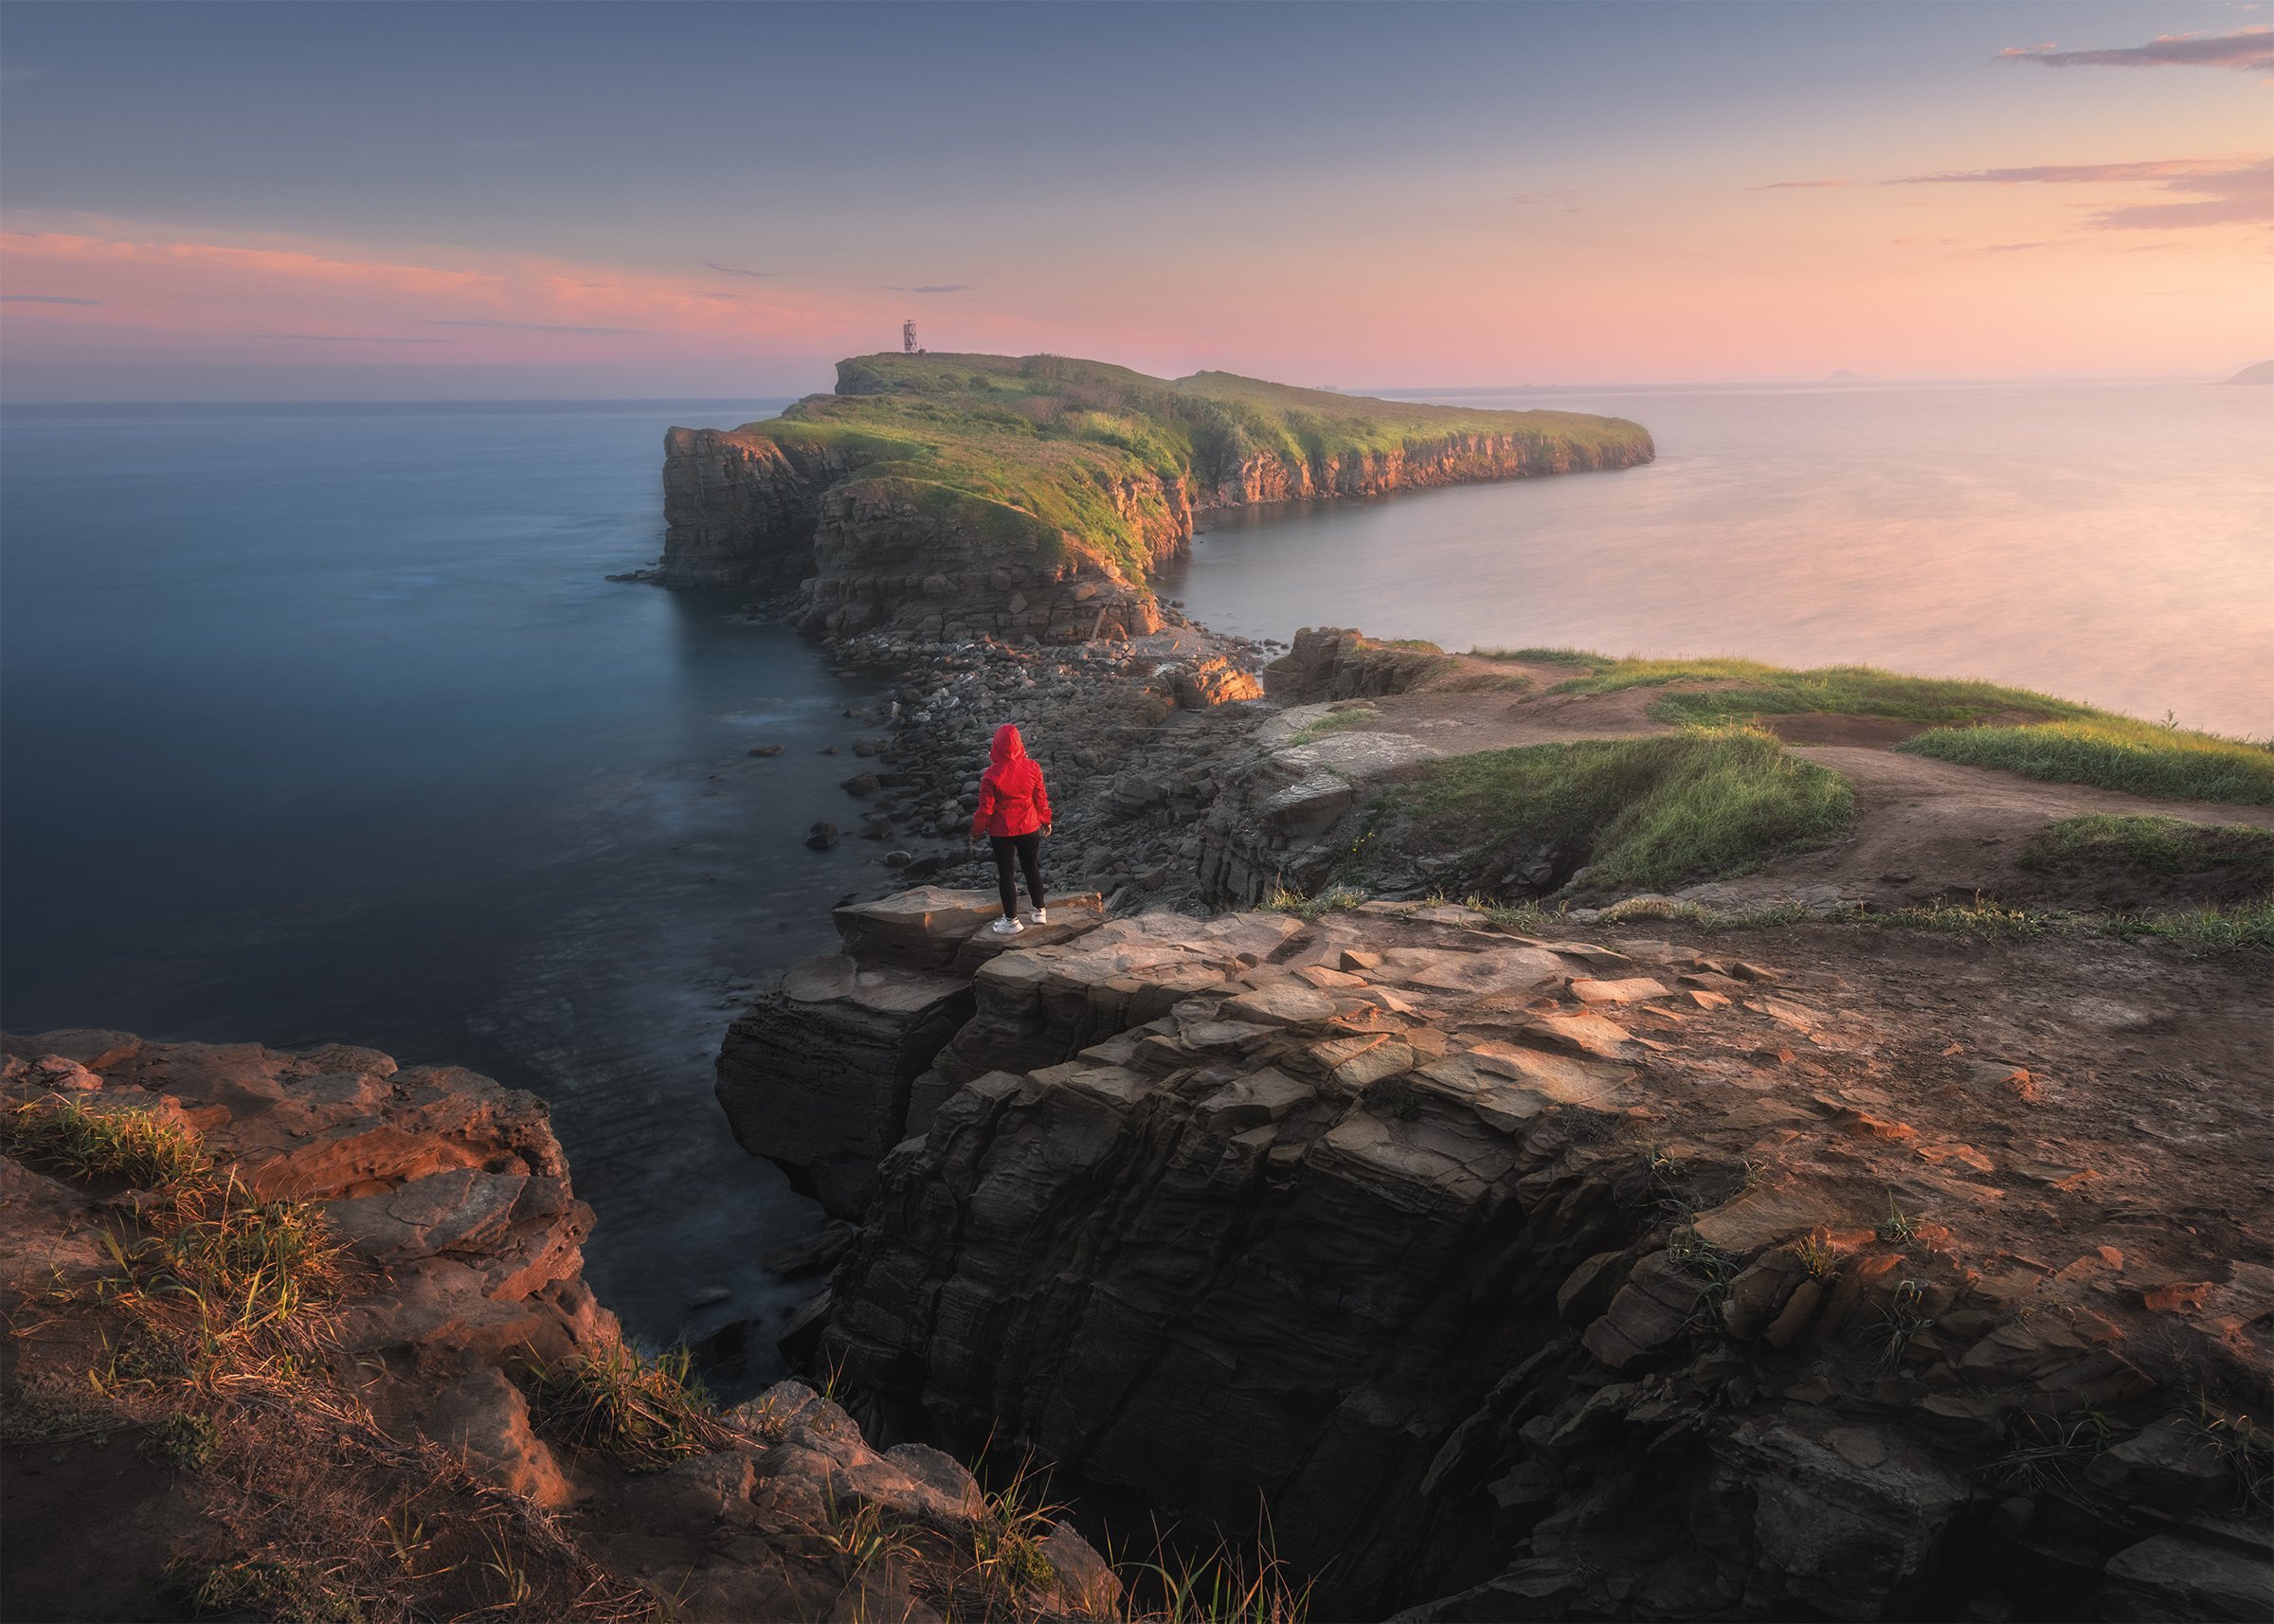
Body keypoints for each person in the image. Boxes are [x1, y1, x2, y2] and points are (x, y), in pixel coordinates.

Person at [968, 722, 1052, 936]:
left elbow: (985, 810)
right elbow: (1040, 798)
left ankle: (1011, 921)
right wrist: (1045, 819)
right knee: (1031, 867)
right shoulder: (1032, 767)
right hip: (1029, 827)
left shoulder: (991, 774)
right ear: (1019, 744)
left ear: (996, 746)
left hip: (1002, 831)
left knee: (1006, 874)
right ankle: (1040, 911)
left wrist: (976, 832)